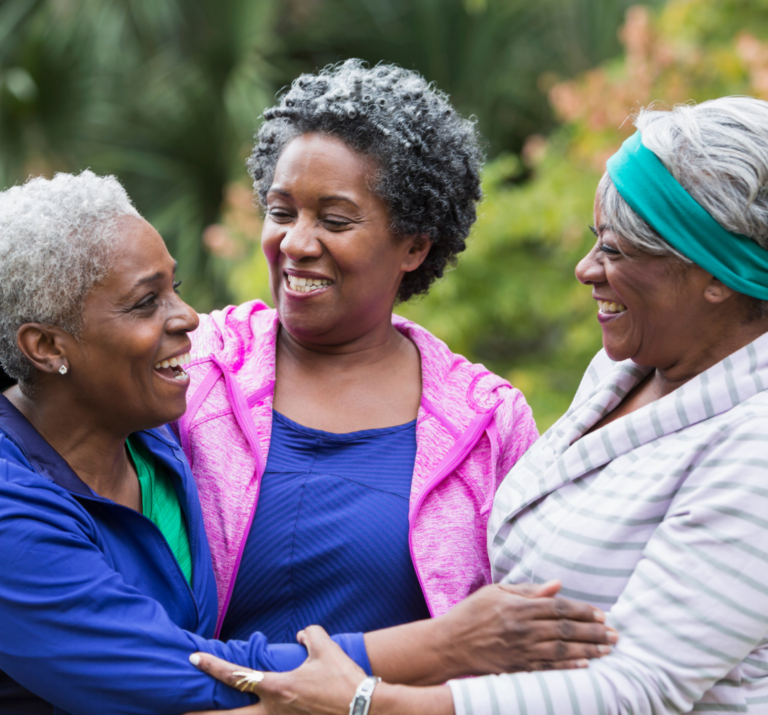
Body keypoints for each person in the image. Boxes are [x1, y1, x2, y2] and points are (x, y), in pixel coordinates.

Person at [191, 96, 768, 714]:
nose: (585, 269)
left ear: (717, 273)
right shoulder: (622, 371)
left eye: (618, 251)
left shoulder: (490, 417)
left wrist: (365, 700)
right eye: (281, 211)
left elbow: (641, 686)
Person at [0, 172, 614, 715]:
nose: (188, 318)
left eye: (175, 288)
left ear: (414, 246)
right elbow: (167, 672)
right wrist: (443, 645)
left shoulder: (156, 441)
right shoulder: (20, 507)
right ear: (48, 347)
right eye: (145, 303)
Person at [177, 60, 539, 641]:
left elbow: (520, 631)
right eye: (281, 212)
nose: (296, 243)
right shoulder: (196, 366)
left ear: (415, 247)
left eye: (335, 220)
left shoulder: (489, 424)